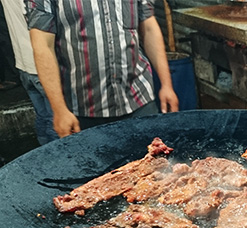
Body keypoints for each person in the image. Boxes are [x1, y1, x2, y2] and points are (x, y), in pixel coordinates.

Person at [26, 0, 179, 138]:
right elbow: (42, 46)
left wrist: (166, 85)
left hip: (139, 98)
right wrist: (59, 109)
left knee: (155, 162)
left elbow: (149, 26)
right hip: (83, 110)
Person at [1, 0, 59, 145]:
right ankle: (56, 155)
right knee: (56, 119)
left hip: (22, 64)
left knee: (42, 116)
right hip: (41, 66)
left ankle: (43, 153)